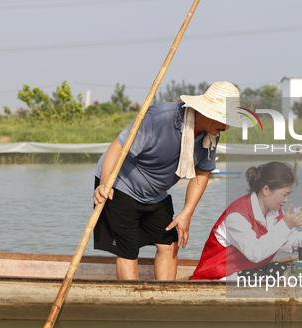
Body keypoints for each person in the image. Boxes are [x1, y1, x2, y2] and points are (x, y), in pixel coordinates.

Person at [93, 81, 244, 280]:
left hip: (156, 193)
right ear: (206, 112)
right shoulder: (159, 118)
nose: (226, 126)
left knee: (170, 244)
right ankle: (131, 301)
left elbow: (202, 173)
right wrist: (104, 184)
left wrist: (187, 213)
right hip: (121, 183)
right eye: (224, 119)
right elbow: (117, 148)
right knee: (128, 248)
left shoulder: (211, 135)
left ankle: (165, 295)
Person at [191, 161, 302, 280]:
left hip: (249, 271)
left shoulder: (273, 212)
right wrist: (286, 224)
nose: (286, 200)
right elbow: (255, 253)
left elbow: (288, 240)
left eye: (288, 195)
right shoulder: (236, 216)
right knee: (263, 278)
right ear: (266, 190)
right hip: (218, 276)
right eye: (284, 194)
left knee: (291, 270)